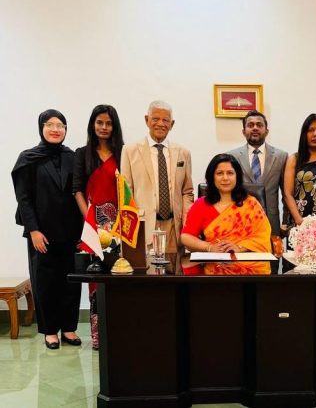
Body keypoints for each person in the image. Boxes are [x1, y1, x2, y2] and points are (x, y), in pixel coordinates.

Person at [11, 110, 83, 350]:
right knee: (45, 282)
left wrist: (84, 232)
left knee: (71, 281)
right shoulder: (28, 158)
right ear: (41, 128)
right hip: (41, 233)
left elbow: (80, 192)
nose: (55, 129)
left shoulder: (72, 157)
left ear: (66, 130)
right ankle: (50, 331)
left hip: (71, 231)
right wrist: (33, 230)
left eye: (60, 125)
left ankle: (69, 329)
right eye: (50, 124)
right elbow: (23, 198)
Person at [120, 100, 194, 275]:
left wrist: (187, 222)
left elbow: (187, 191)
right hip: (145, 226)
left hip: (173, 226)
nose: (160, 124)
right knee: (148, 277)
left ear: (172, 124)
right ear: (147, 120)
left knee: (174, 276)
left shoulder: (183, 152)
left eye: (165, 120)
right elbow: (126, 191)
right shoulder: (130, 150)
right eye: (155, 119)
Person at [73, 104, 124, 350]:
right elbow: (77, 190)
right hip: (93, 226)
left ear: (115, 126)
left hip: (120, 226)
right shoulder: (82, 154)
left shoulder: (124, 153)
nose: (104, 127)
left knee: (121, 276)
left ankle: (120, 332)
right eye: (99, 122)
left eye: (108, 123)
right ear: (92, 125)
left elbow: (129, 189)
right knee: (96, 279)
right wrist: (91, 222)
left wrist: (120, 223)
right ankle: (98, 336)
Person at [181, 154, 272, 275]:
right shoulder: (201, 205)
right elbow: (186, 236)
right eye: (219, 173)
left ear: (237, 176)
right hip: (214, 270)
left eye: (230, 173)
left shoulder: (251, 204)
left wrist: (239, 248)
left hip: (251, 270)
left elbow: (262, 236)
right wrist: (209, 247)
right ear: (212, 177)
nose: (225, 178)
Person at [228, 110, 288, 236]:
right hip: (239, 222)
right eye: (250, 125)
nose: (255, 128)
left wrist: (285, 222)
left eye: (259, 125)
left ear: (266, 131)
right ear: (244, 131)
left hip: (271, 222)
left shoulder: (281, 156)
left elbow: (287, 193)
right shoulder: (232, 156)